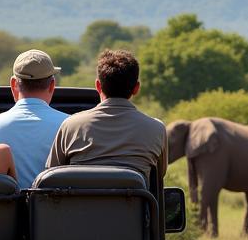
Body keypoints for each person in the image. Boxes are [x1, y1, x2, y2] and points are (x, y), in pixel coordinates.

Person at [46, 49, 166, 181]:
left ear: (98, 85)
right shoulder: (156, 129)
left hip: (83, 202)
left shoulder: (71, 125)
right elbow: (158, 177)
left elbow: (51, 176)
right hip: (132, 202)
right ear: (136, 88)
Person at [0, 49, 67, 188]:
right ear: (52, 85)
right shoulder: (70, 126)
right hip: (53, 209)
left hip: (5, 209)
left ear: (14, 84)